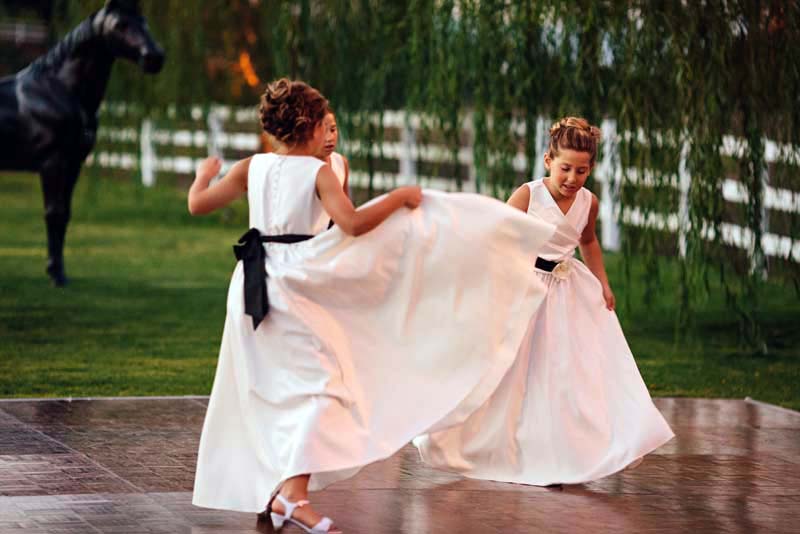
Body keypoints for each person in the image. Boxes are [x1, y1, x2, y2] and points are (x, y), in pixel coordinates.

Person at [189, 78, 556, 532]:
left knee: (269, 387)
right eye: (324, 124)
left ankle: (284, 492)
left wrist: (203, 175)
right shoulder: (319, 173)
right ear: (308, 125)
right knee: (320, 387)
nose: (329, 133)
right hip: (296, 281)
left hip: (251, 282)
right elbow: (353, 224)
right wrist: (399, 199)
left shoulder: (252, 167)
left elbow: (198, 204)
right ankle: (293, 497)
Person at [415, 117, 674, 486]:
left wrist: (603, 282)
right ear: (548, 160)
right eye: (565, 168)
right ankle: (477, 437)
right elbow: (498, 235)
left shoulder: (588, 202)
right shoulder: (529, 195)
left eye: (581, 170)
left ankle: (563, 447)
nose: (572, 178)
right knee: (509, 364)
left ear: (591, 169)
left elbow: (588, 242)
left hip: (566, 292)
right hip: (525, 284)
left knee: (563, 369)